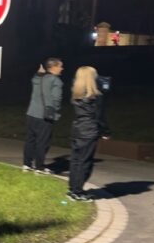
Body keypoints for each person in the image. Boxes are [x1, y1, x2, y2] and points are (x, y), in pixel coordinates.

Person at [68, 66, 110, 202]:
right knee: (85, 162)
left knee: (75, 160)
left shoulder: (77, 95)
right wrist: (105, 132)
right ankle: (78, 191)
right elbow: (100, 116)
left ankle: (73, 189)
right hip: (89, 130)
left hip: (77, 129)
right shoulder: (95, 96)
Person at [23, 58, 64, 174]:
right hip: (45, 116)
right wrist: (55, 114)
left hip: (31, 113)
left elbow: (34, 79)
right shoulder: (56, 81)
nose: (62, 68)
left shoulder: (38, 78)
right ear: (53, 67)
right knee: (43, 141)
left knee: (30, 140)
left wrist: (38, 73)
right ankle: (39, 167)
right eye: (60, 66)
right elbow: (57, 100)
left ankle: (26, 164)